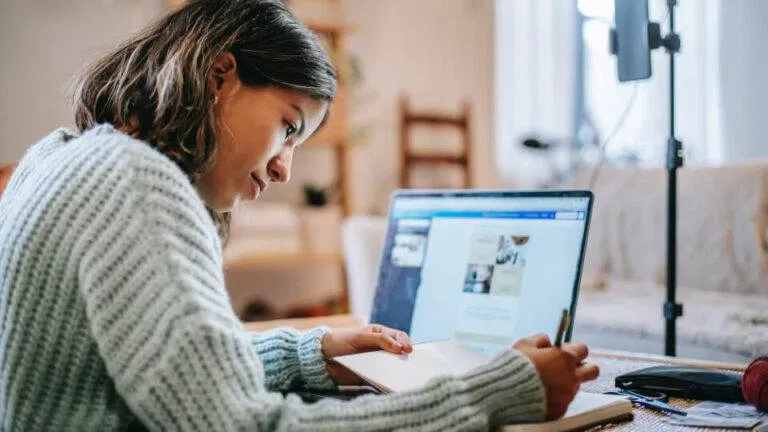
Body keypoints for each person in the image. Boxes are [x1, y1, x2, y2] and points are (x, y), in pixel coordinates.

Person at [0, 0, 599, 430]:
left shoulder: (61, 156)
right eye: (288, 126)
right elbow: (241, 424)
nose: (284, 168)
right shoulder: (135, 183)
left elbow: (168, 373)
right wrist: (495, 391)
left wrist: (313, 355)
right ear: (218, 77)